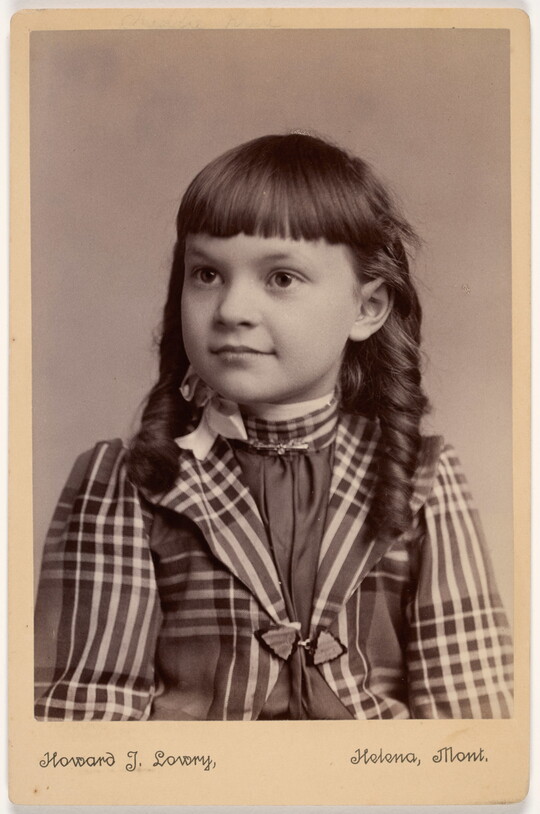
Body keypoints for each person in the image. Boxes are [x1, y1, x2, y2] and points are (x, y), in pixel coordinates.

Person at [34, 133, 513, 721]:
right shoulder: (126, 480)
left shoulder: (422, 478)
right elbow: (86, 717)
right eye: (206, 274)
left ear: (367, 308)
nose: (232, 309)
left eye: (281, 278)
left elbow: (475, 716)